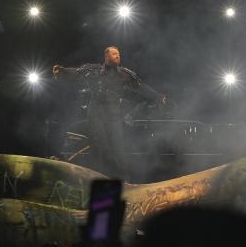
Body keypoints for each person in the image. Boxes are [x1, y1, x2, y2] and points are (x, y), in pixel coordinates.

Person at [52, 47, 165, 179]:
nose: (117, 56)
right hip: (97, 112)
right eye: (114, 54)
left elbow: (140, 86)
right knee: (101, 144)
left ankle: (124, 179)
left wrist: (157, 96)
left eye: (118, 54)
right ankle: (99, 177)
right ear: (106, 56)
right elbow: (77, 72)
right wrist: (64, 71)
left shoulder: (125, 73)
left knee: (117, 147)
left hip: (114, 114)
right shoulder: (94, 70)